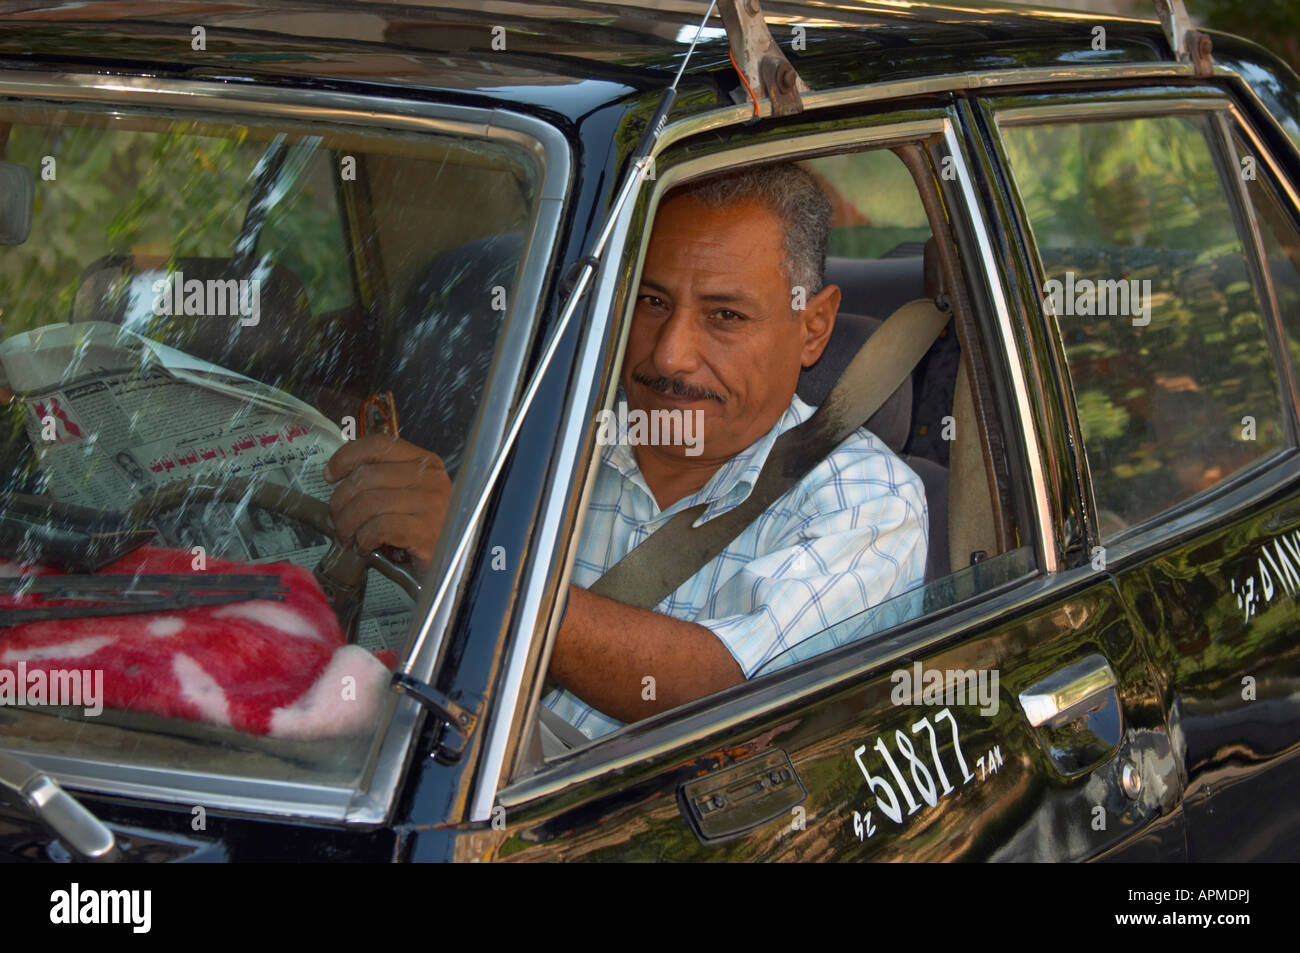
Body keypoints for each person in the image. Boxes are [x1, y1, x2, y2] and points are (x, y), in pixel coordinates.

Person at [323, 162, 928, 740]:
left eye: (725, 315)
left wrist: (472, 560)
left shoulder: (868, 503)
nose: (669, 355)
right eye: (652, 302)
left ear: (813, 327)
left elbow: (725, 689)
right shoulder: (540, 441)